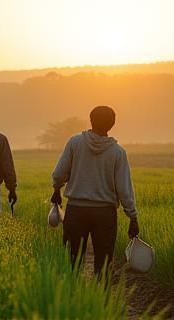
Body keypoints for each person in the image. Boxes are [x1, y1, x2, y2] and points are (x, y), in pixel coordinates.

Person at [51, 106, 139, 275]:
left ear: (90, 120)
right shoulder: (118, 152)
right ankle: (102, 299)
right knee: (104, 264)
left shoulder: (75, 142)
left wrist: (56, 189)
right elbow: (124, 189)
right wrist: (132, 217)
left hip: (76, 210)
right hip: (105, 214)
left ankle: (70, 297)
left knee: (72, 260)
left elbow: (59, 173)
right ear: (112, 124)